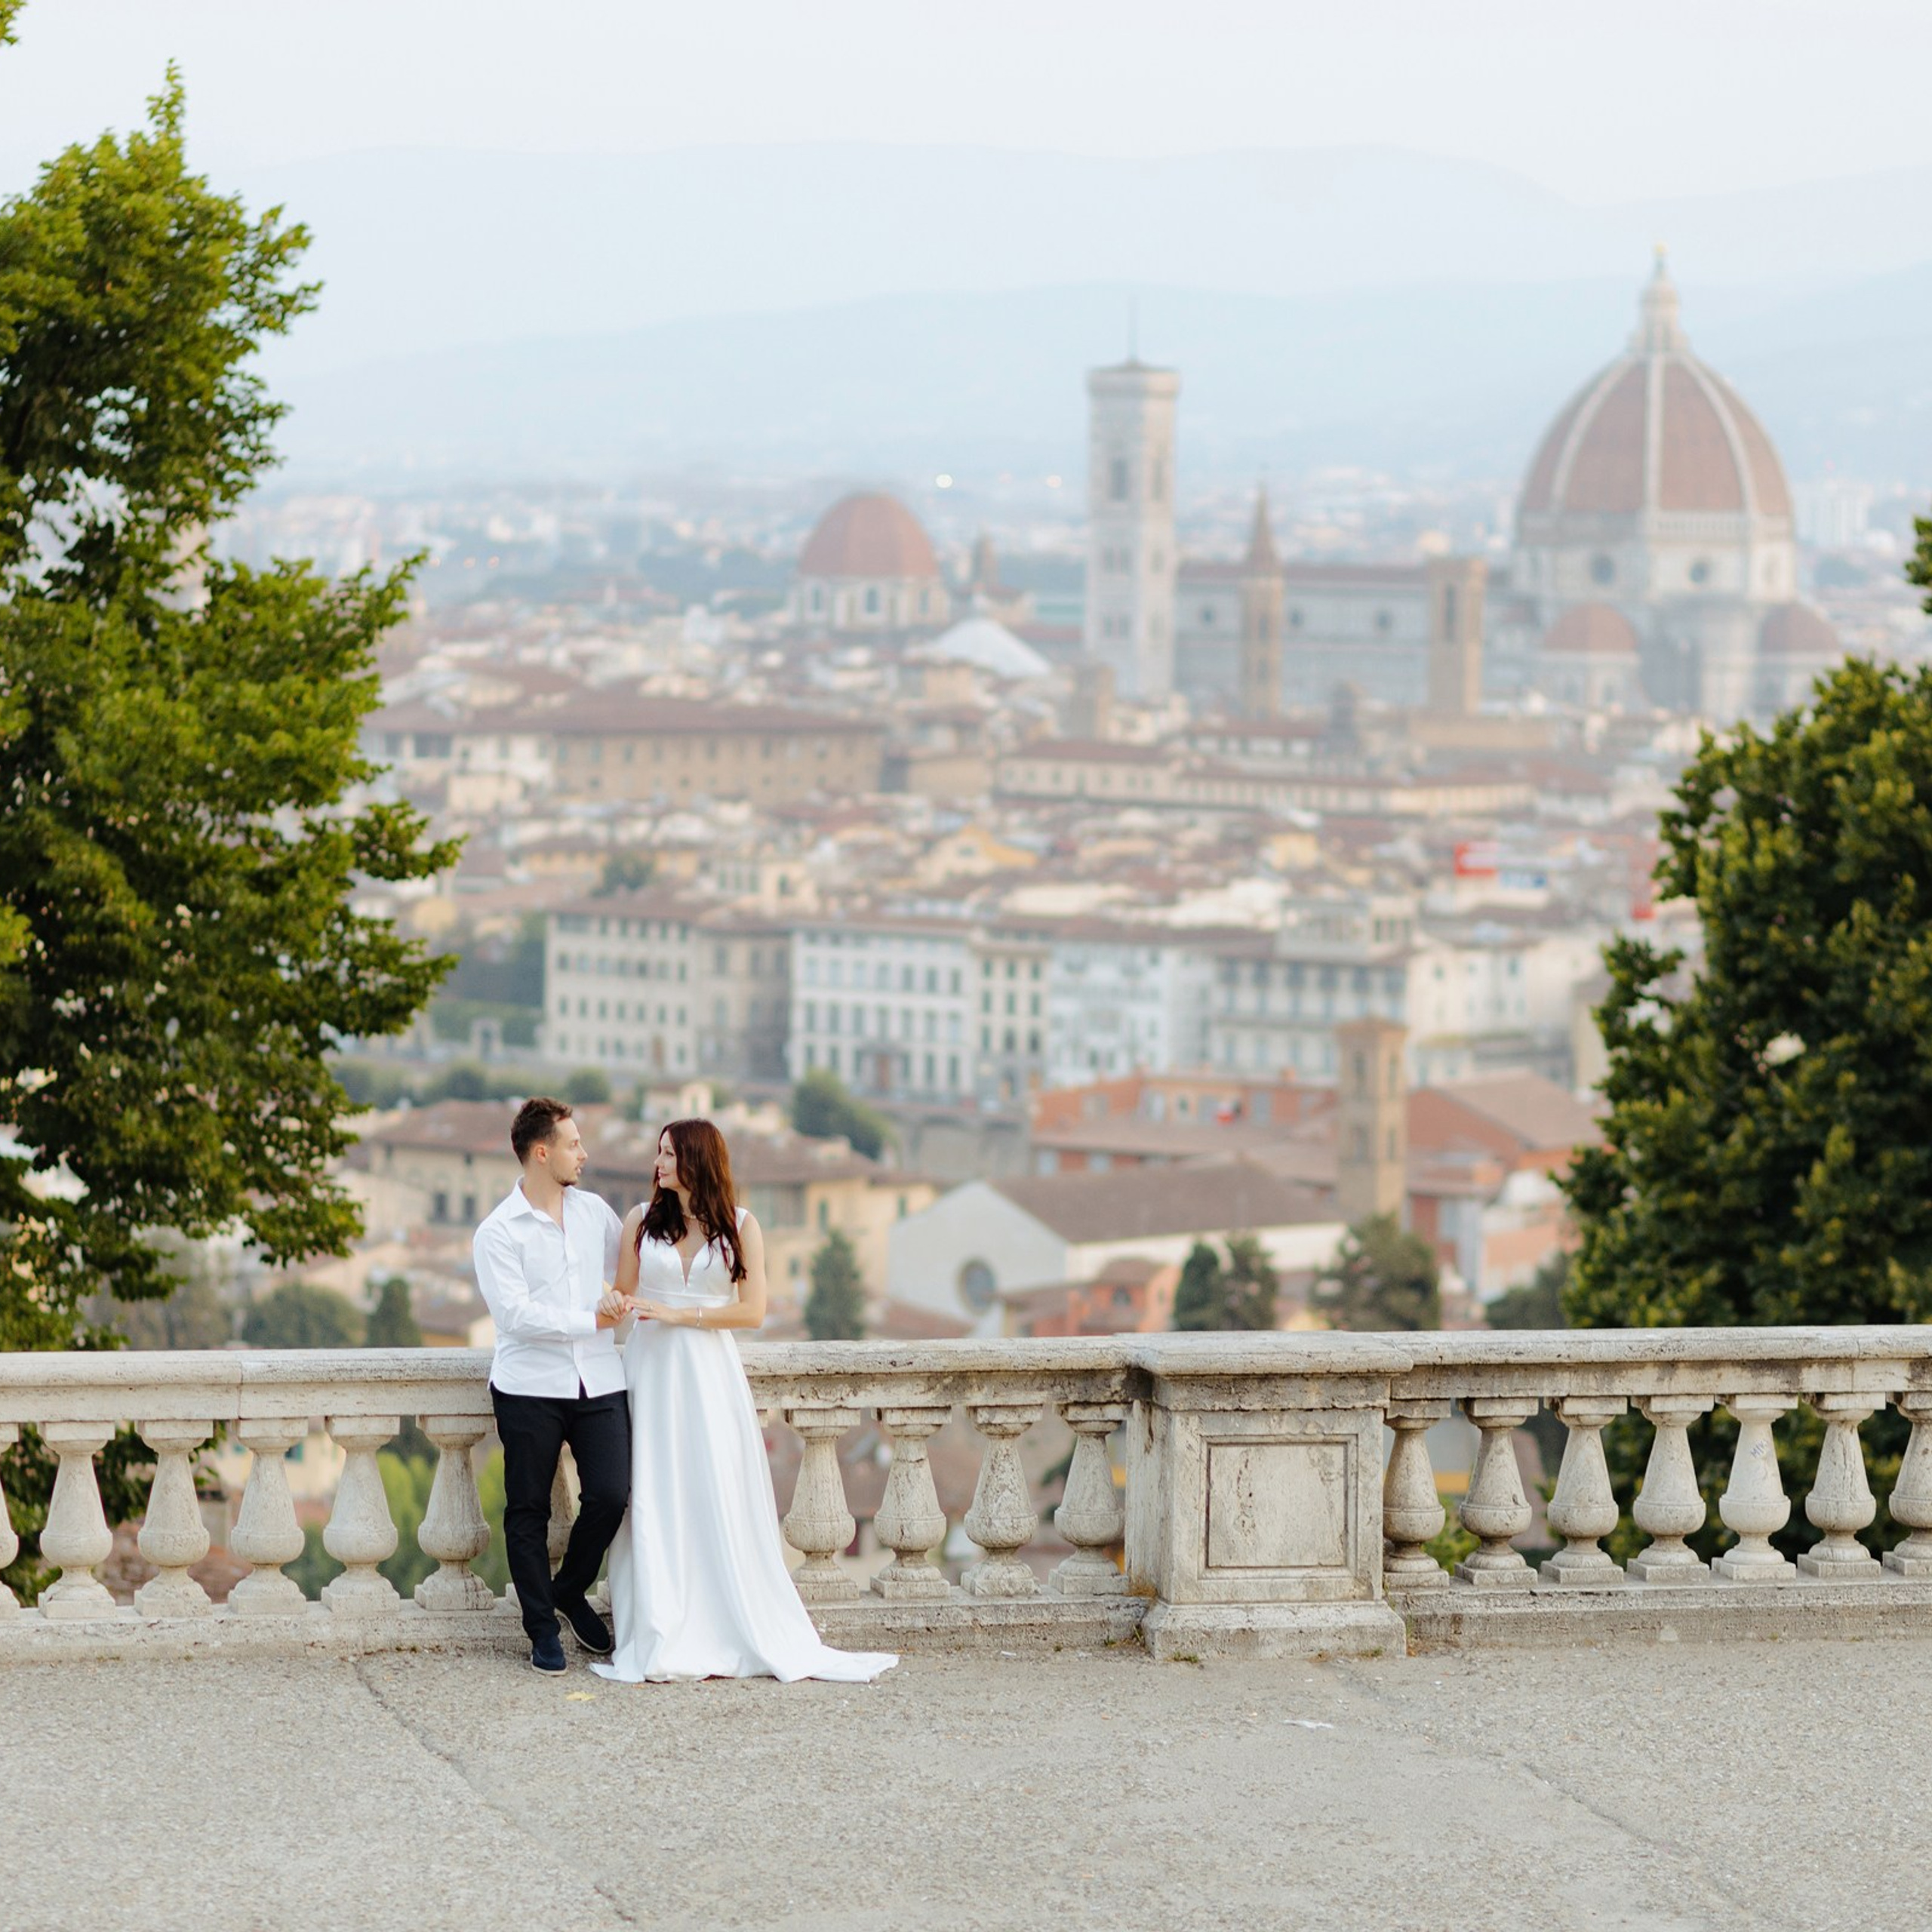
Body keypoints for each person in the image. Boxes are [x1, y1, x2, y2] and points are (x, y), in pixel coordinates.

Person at [591, 1117, 897, 1685]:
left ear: (696, 1160)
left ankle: (723, 1620)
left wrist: (683, 1314)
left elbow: (752, 1310)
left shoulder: (741, 1226)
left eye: (667, 1154)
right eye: (657, 1154)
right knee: (654, 1491)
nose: (657, 1164)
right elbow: (623, 1293)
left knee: (714, 1490)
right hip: (651, 1371)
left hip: (709, 1374)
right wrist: (610, 1306)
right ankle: (660, 1624)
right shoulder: (639, 1220)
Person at [472, 1097, 630, 1676]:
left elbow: (631, 1269)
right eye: (572, 1145)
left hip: (599, 1380)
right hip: (529, 1386)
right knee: (528, 1511)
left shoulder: (595, 1215)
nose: (583, 1154)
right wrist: (592, 1319)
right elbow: (515, 1316)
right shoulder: (497, 1233)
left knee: (612, 1494)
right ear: (542, 1153)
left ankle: (569, 1590)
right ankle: (541, 1628)